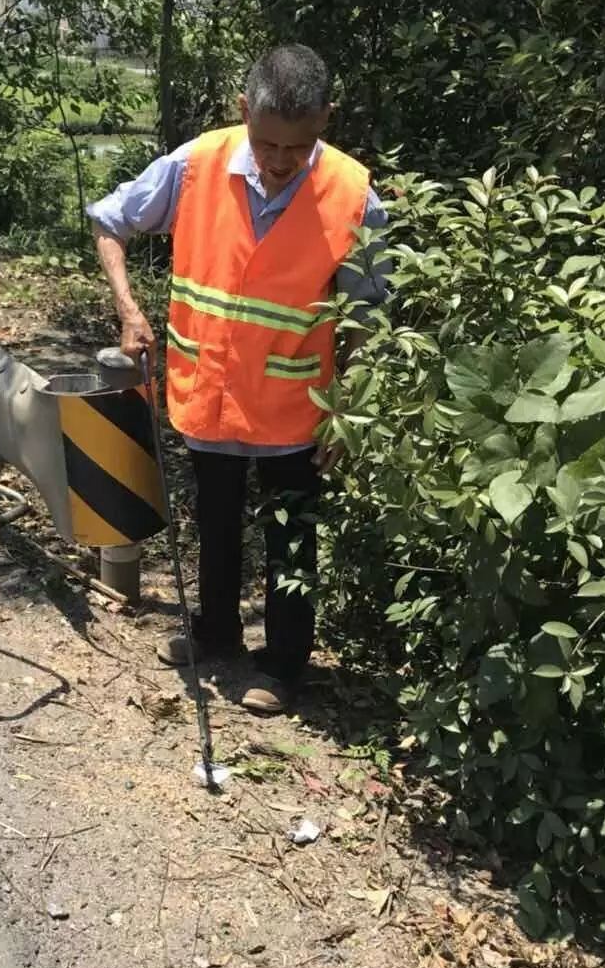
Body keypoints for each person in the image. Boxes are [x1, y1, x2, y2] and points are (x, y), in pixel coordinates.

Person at [88, 44, 389, 716]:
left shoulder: (353, 195)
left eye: (298, 146)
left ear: (325, 122)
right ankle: (215, 633)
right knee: (215, 522)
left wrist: (347, 407)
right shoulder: (196, 164)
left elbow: (368, 312)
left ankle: (282, 666)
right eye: (268, 143)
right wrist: (129, 311)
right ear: (242, 112)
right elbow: (109, 221)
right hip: (211, 393)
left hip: (293, 407)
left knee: (290, 540)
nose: (281, 162)